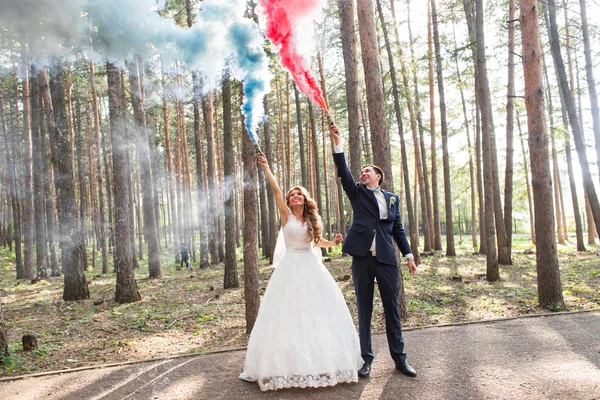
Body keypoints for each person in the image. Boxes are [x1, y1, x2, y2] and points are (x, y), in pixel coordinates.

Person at [239, 154, 363, 391]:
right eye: (291, 195)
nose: (294, 196)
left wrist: (334, 243)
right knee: (287, 313)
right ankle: (286, 366)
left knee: (318, 312)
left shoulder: (312, 218)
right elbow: (275, 190)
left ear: (304, 199)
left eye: (298, 194)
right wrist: (266, 167)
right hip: (289, 268)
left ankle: (321, 362)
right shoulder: (285, 216)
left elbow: (318, 242)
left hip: (311, 267)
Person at [329, 122, 418, 379]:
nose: (363, 173)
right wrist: (338, 144)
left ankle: (400, 359)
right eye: (362, 171)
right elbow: (344, 171)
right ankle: (366, 360)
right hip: (362, 259)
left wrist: (409, 255)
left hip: (388, 260)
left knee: (392, 310)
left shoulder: (392, 198)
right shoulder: (356, 192)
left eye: (368, 170)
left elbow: (398, 229)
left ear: (379, 176)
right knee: (364, 310)